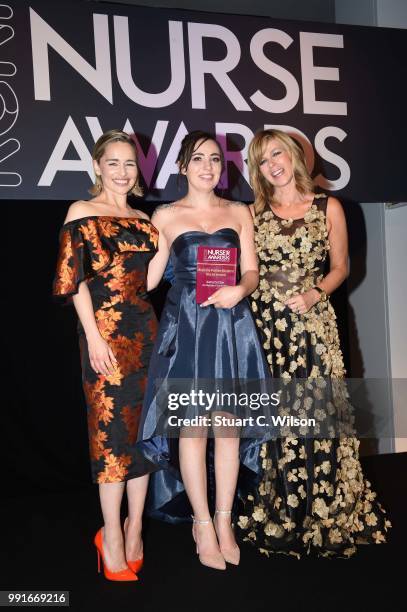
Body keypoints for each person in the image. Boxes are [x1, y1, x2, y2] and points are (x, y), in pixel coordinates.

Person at [237, 129, 391, 557]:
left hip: (313, 326)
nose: (272, 165)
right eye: (263, 160)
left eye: (277, 154)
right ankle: (282, 506)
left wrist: (315, 293)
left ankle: (324, 510)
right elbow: (245, 272)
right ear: (258, 170)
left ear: (295, 156)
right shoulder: (253, 213)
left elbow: (342, 267)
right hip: (266, 329)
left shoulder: (328, 206)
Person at [137, 131, 271, 570]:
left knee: (228, 428)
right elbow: (149, 280)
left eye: (215, 159)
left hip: (231, 325)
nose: (208, 166)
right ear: (182, 166)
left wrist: (239, 290)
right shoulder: (165, 215)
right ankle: (201, 524)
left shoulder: (239, 211)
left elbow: (251, 271)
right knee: (193, 429)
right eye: (198, 159)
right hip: (188, 329)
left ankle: (224, 519)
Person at [53, 130, 158, 580]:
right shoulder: (82, 212)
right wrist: (94, 337)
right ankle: (110, 535)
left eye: (129, 163)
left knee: (143, 438)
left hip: (148, 335)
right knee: (111, 438)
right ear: (98, 166)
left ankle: (135, 528)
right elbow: (74, 280)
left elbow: (149, 283)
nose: (122, 171)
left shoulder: (142, 218)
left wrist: (167, 236)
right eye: (113, 162)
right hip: (105, 336)